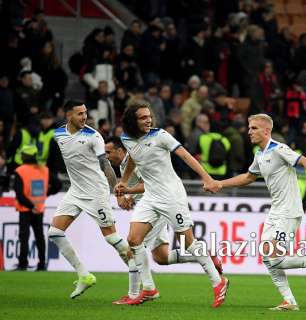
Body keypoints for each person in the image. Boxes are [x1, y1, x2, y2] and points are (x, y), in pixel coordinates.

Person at [206, 113, 306, 311]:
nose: (249, 131)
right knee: (268, 257)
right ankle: (289, 301)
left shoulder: (279, 149)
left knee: (273, 255)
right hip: (276, 210)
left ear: (266, 131)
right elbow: (249, 177)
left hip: (289, 210)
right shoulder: (259, 154)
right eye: (249, 128)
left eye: (254, 128)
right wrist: (220, 184)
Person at [115, 101, 228, 307]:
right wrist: (124, 180)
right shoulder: (126, 138)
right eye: (143, 117)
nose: (148, 119)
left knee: (189, 242)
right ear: (132, 121)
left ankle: (218, 282)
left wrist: (207, 178)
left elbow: (185, 155)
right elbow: (133, 156)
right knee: (134, 239)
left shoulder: (161, 136)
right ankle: (149, 289)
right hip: (150, 196)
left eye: (149, 116)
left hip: (171, 195)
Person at [48, 100, 132, 299]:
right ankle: (84, 275)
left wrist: (118, 192)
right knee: (55, 232)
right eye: (79, 114)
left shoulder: (93, 136)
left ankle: (143, 277)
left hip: (96, 192)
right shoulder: (58, 134)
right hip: (76, 191)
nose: (84, 117)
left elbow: (105, 166)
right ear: (69, 115)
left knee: (112, 238)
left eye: (85, 112)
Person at [15, 145, 60, 271]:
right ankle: (41, 264)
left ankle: (23, 264)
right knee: (39, 236)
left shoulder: (20, 170)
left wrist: (30, 205)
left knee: (24, 236)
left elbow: (19, 195)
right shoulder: (44, 170)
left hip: (25, 209)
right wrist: (46, 193)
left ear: (25, 156)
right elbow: (57, 184)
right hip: (39, 208)